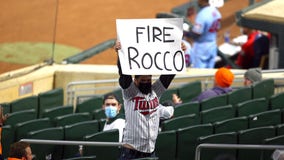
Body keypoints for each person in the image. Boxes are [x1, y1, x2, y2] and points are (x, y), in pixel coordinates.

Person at [115, 41, 181, 159]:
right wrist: (121, 55)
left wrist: (177, 52)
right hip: (131, 152)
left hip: (151, 151)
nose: (146, 83)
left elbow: (168, 75)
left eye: (148, 80)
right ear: (135, 80)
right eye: (143, 81)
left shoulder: (155, 91)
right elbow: (124, 75)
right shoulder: (130, 92)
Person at [185, 0, 222, 68]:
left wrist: (185, 32)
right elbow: (218, 28)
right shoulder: (217, 12)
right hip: (212, 45)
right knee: (209, 73)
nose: (198, 1)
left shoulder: (202, 14)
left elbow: (196, 34)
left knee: (199, 73)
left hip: (201, 48)